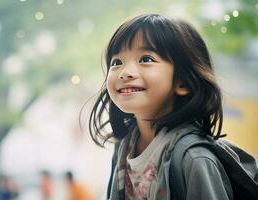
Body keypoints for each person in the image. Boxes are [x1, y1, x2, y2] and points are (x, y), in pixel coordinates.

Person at [88, 14, 236, 199]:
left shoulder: (194, 160)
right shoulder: (124, 148)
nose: (125, 73)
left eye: (146, 59)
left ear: (184, 82)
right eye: (117, 62)